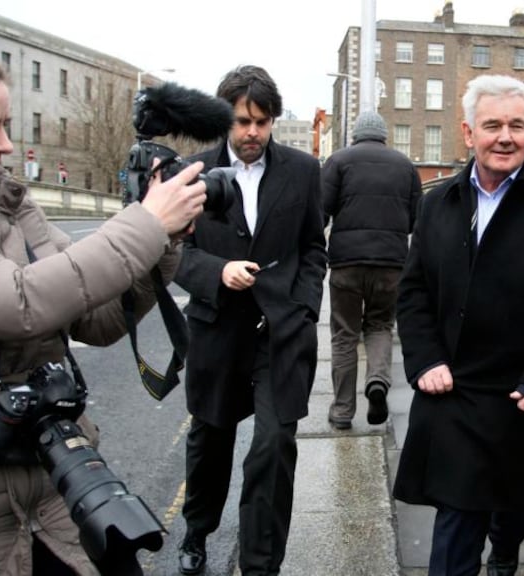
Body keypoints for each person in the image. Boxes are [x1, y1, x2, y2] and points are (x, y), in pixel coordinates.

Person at [0, 42, 205, 575]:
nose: (5, 145)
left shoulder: (11, 204)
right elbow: (20, 301)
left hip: (58, 495)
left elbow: (97, 320)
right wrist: (146, 224)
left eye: (6, 125)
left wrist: (165, 242)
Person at [392, 74, 524, 576]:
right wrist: (424, 359)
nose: (504, 136)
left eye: (516, 125)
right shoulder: (437, 202)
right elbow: (413, 290)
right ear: (468, 133)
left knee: (517, 503)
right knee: (458, 518)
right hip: (456, 389)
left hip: (522, 392)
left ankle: (505, 550)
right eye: (492, 125)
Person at [173, 65, 326, 575]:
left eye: (262, 121)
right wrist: (219, 272)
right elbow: (172, 254)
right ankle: (197, 531)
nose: (252, 132)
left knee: (274, 444)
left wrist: (304, 308)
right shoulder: (191, 174)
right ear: (225, 121)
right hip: (217, 331)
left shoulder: (304, 172)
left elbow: (312, 248)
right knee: (210, 439)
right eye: (241, 121)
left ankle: (261, 563)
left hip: (281, 333)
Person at [321, 111, 422, 430]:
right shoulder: (405, 165)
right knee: (380, 326)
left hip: (346, 264)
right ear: (383, 135)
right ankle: (377, 382)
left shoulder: (338, 161)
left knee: (344, 335)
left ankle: (342, 411)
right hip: (391, 264)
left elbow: (320, 211)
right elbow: (417, 220)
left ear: (356, 135)